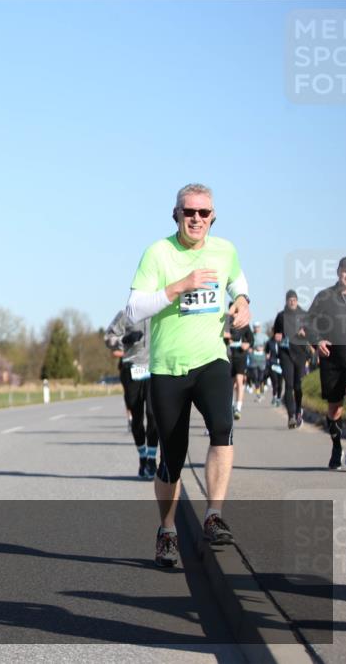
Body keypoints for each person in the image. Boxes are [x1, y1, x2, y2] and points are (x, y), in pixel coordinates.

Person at [125, 183, 250, 567]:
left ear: (213, 216)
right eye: (188, 212)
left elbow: (237, 282)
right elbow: (133, 309)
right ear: (176, 215)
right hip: (167, 369)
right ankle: (167, 530)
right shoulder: (158, 253)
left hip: (212, 359)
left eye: (203, 213)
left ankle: (213, 515)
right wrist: (180, 286)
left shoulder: (225, 249)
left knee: (222, 427)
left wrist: (243, 302)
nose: (196, 219)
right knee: (172, 460)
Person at [307, 256, 346, 469]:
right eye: (344, 270)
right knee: (334, 409)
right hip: (332, 359)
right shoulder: (325, 296)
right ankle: (336, 445)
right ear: (338, 272)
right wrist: (318, 341)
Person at [104, 310, 158, 478]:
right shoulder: (125, 315)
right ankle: (142, 458)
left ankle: (151, 458)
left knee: (153, 414)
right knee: (137, 417)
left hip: (154, 368)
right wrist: (123, 341)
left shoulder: (160, 312)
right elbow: (108, 338)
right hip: (131, 370)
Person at [274, 290, 311, 428]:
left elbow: (312, 332)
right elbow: (276, 332)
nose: (292, 302)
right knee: (289, 385)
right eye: (290, 299)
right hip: (286, 353)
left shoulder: (304, 315)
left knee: (298, 386)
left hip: (300, 353)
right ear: (286, 301)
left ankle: (298, 411)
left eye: (294, 299)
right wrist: (277, 336)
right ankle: (291, 417)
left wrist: (305, 333)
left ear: (297, 301)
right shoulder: (281, 316)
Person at [224, 316, 254, 419]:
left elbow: (251, 339)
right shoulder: (226, 322)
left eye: (238, 312)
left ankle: (238, 408)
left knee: (239, 380)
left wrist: (248, 344)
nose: (236, 314)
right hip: (228, 355)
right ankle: (230, 406)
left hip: (240, 355)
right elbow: (221, 337)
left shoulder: (244, 324)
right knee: (229, 383)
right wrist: (226, 338)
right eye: (234, 311)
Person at [248, 322, 269, 403]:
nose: (256, 328)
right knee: (255, 377)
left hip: (262, 360)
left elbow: (268, 346)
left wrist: (263, 349)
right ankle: (258, 394)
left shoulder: (264, 336)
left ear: (260, 328)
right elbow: (248, 345)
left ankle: (262, 391)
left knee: (261, 378)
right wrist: (251, 349)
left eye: (257, 327)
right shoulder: (251, 335)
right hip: (253, 360)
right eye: (255, 327)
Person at [266, 332, 284, 406]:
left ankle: (279, 398)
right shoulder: (270, 342)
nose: (278, 335)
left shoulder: (284, 342)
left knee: (280, 383)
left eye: (279, 334)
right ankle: (274, 396)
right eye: (276, 334)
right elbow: (267, 352)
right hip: (273, 364)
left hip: (282, 365)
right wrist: (267, 358)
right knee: (275, 382)